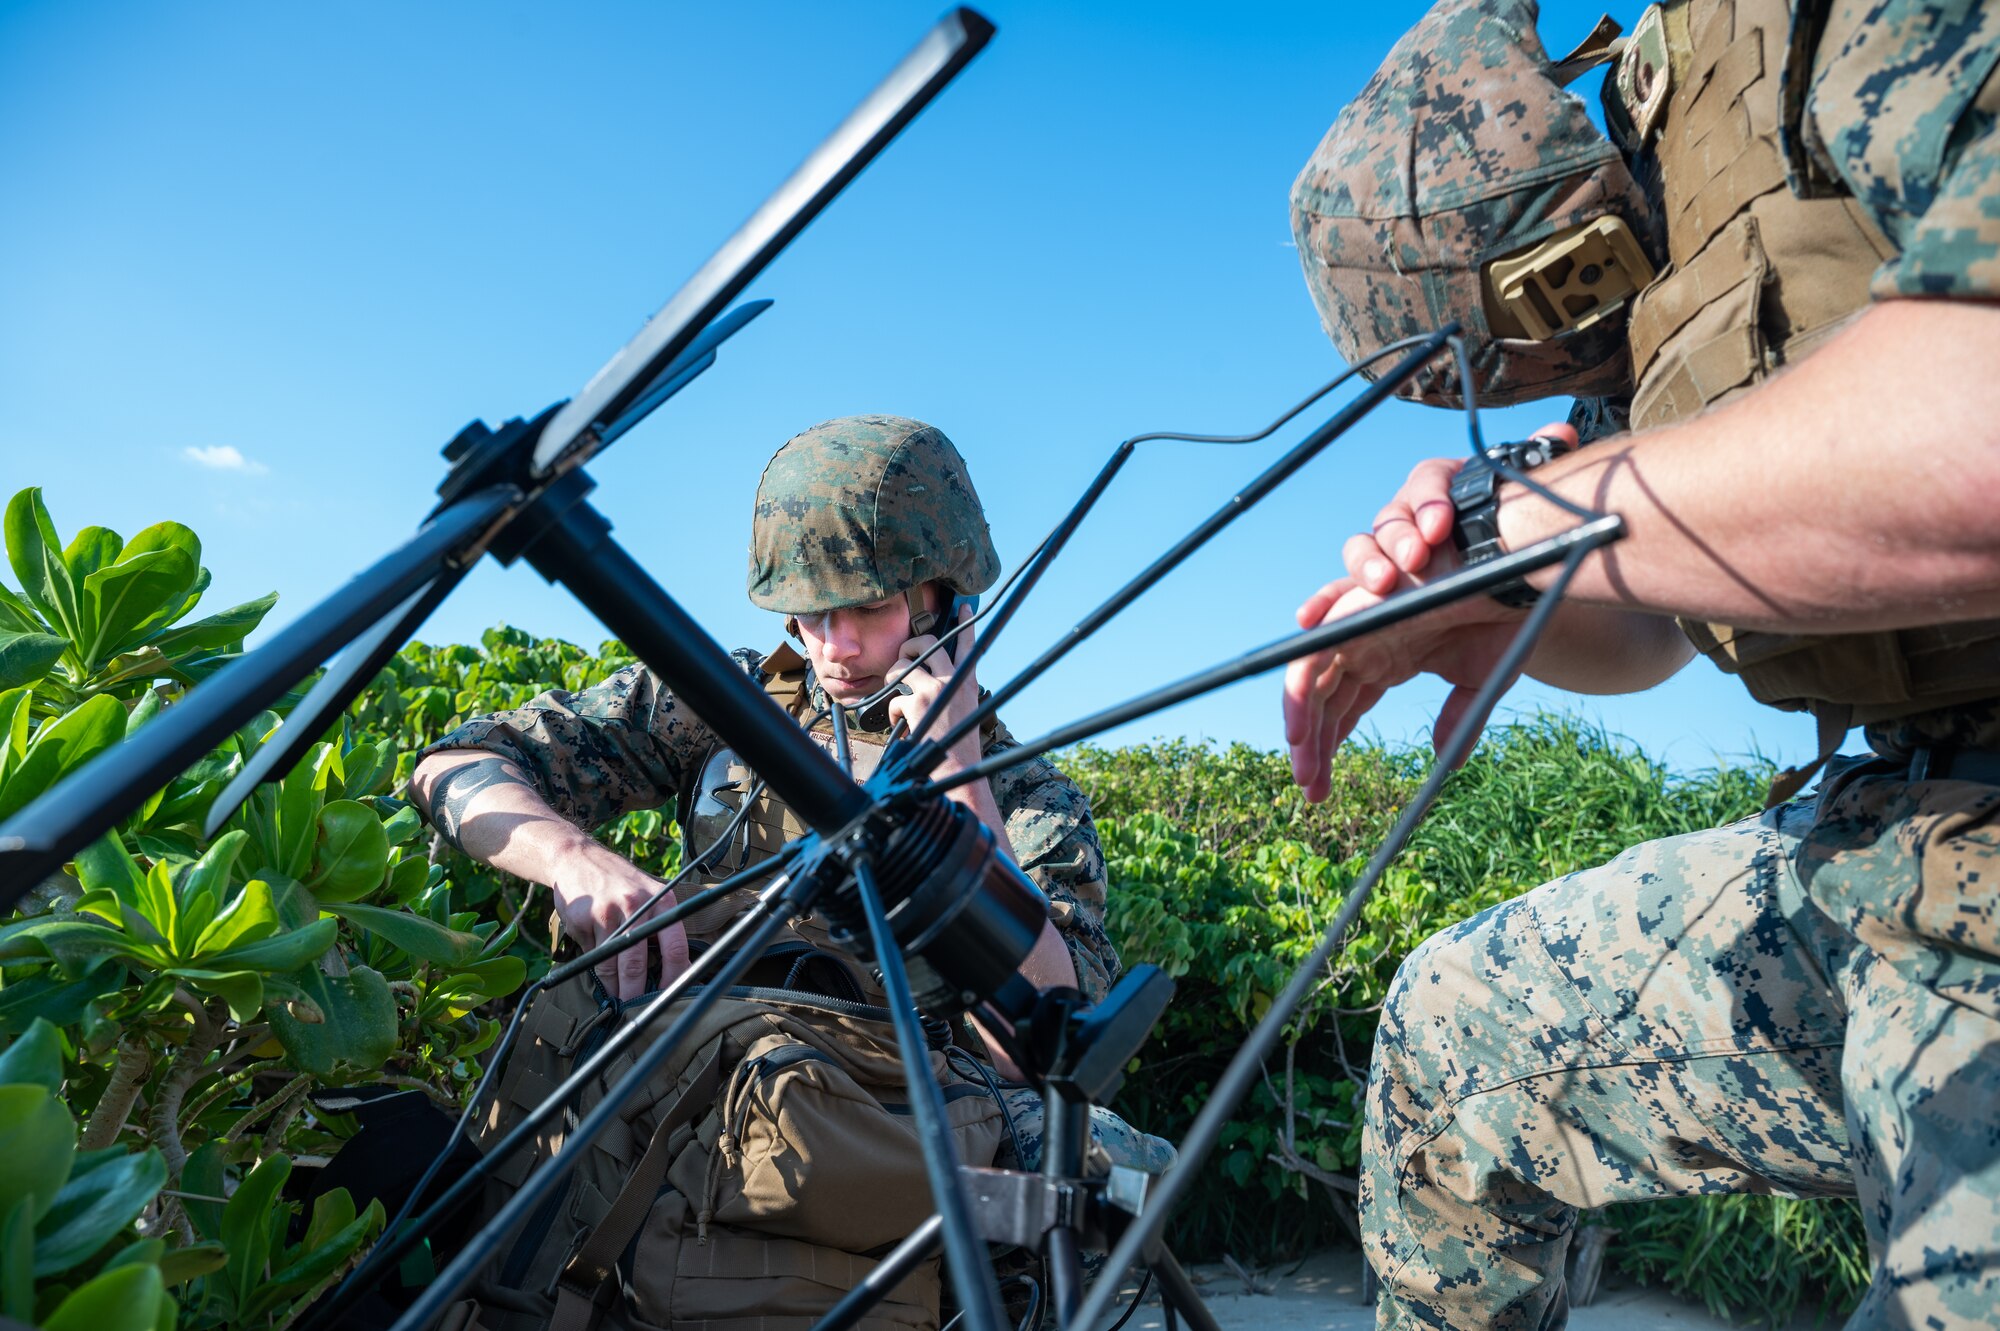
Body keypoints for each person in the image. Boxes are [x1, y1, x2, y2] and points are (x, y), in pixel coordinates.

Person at [1281, 1, 2000, 1327]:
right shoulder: (1689, 123)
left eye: (1521, 354)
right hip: (1897, 828)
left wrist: (1520, 519)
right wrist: (1506, 597)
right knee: (1453, 1038)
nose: (1546, 383)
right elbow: (1651, 627)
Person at [411, 412, 1169, 1171]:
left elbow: (1034, 1050)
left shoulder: (1026, 793)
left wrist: (955, 760)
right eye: (812, 610)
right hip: (696, 1060)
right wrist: (575, 859)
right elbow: (451, 764)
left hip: (886, 1115)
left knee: (1102, 1165)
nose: (835, 646)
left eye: (870, 606)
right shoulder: (728, 700)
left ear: (947, 603)